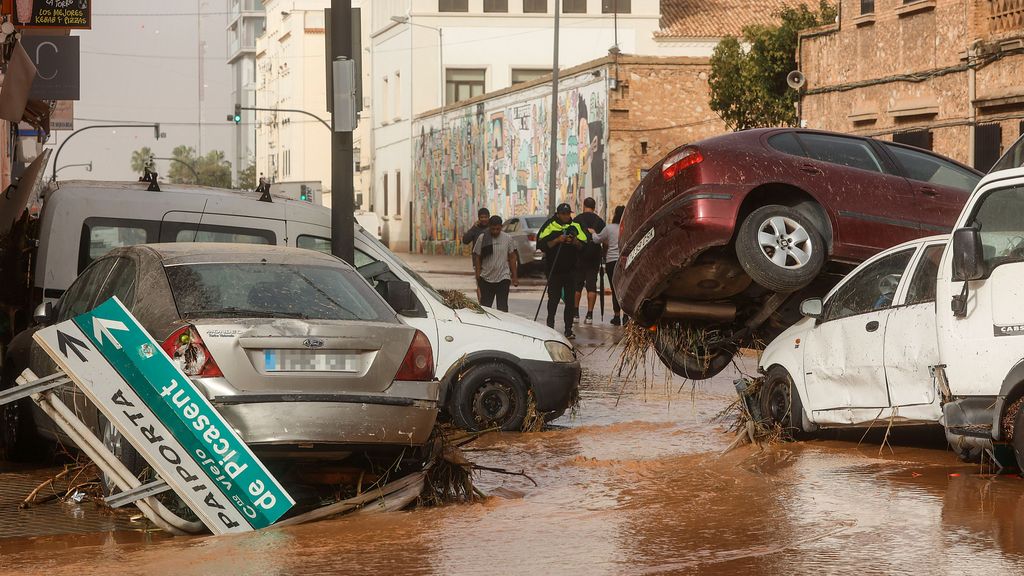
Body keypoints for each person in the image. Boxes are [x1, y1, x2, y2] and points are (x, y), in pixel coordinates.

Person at [537, 203, 589, 339]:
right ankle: (550, 326)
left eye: (568, 214)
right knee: (553, 299)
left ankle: (568, 329)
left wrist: (575, 242)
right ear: (558, 214)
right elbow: (541, 244)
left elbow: (585, 245)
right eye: (563, 214)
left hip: (571, 270)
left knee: (570, 301)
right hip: (554, 270)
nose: (566, 216)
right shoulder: (550, 225)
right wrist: (558, 240)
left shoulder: (576, 226)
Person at [473, 215, 518, 312]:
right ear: (489, 227)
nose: (495, 231)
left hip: (503, 277)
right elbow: (477, 257)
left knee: (502, 309)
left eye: (498, 229)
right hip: (486, 278)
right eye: (493, 229)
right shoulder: (483, 238)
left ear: (501, 227)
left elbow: (512, 257)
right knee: (485, 309)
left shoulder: (508, 238)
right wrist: (477, 275)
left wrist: (514, 276)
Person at [573, 197, 606, 325]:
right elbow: (604, 240)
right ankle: (590, 315)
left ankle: (575, 313)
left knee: (577, 285)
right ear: (594, 207)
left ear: (583, 205)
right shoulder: (600, 222)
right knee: (591, 286)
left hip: (579, 256)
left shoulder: (577, 220)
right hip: (594, 256)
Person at [594, 205, 625, 325]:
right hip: (625, 261)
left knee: (615, 289)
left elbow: (597, 239)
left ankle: (616, 316)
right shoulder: (627, 227)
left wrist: (592, 233)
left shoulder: (609, 228)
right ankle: (626, 316)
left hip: (612, 261)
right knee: (624, 288)